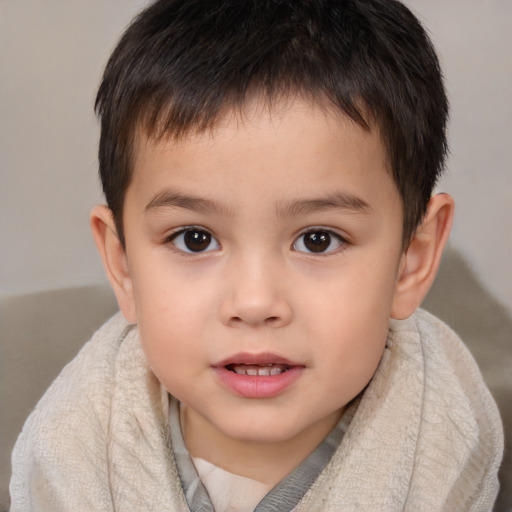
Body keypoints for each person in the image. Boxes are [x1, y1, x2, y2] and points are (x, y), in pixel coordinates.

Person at [10, 0, 503, 510]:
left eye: (318, 239)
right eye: (194, 239)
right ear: (124, 264)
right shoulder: (71, 449)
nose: (254, 301)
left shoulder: (443, 436)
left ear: (411, 259)